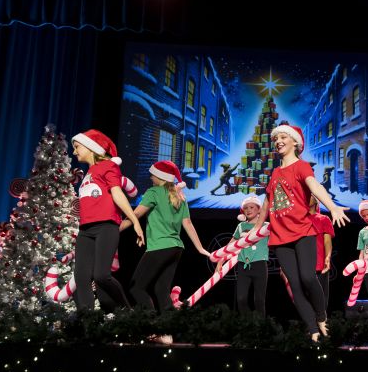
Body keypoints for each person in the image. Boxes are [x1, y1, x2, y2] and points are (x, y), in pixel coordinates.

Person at [253, 124, 350, 341]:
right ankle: (313, 330)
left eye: (283, 137)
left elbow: (314, 186)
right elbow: (268, 203)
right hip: (280, 236)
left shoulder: (302, 166)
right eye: (276, 137)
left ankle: (321, 316)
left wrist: (332, 206)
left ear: (295, 142)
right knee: (294, 285)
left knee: (307, 277)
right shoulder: (275, 172)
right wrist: (257, 228)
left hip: (303, 231)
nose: (278, 140)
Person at [120, 161, 210, 315]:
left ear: (160, 176)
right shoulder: (180, 197)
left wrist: (116, 229)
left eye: (152, 174)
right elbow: (188, 224)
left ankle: (154, 326)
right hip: (176, 248)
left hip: (159, 247)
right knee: (161, 290)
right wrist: (200, 248)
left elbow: (136, 214)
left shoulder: (153, 192)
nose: (150, 177)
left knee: (137, 288)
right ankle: (167, 331)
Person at [72, 129, 145, 313]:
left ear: (90, 148)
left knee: (101, 275)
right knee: (81, 276)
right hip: (85, 231)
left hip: (106, 227)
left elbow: (117, 193)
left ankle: (129, 313)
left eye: (77, 147)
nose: (74, 152)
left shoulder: (108, 166)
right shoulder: (89, 172)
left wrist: (134, 221)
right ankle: (87, 322)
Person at [216, 195, 269, 317]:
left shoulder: (266, 226)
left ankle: (261, 327)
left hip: (260, 265)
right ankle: (248, 323)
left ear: (259, 210)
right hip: (243, 266)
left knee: (259, 300)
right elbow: (230, 245)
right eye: (246, 208)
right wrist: (220, 261)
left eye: (251, 207)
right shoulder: (241, 226)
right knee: (241, 299)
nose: (248, 210)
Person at [309, 195, 335, 312]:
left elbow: (327, 241)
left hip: (319, 265)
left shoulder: (323, 219)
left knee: (321, 299)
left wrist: (328, 257)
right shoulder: (298, 220)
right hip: (302, 265)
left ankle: (322, 326)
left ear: (316, 200)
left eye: (309, 195)